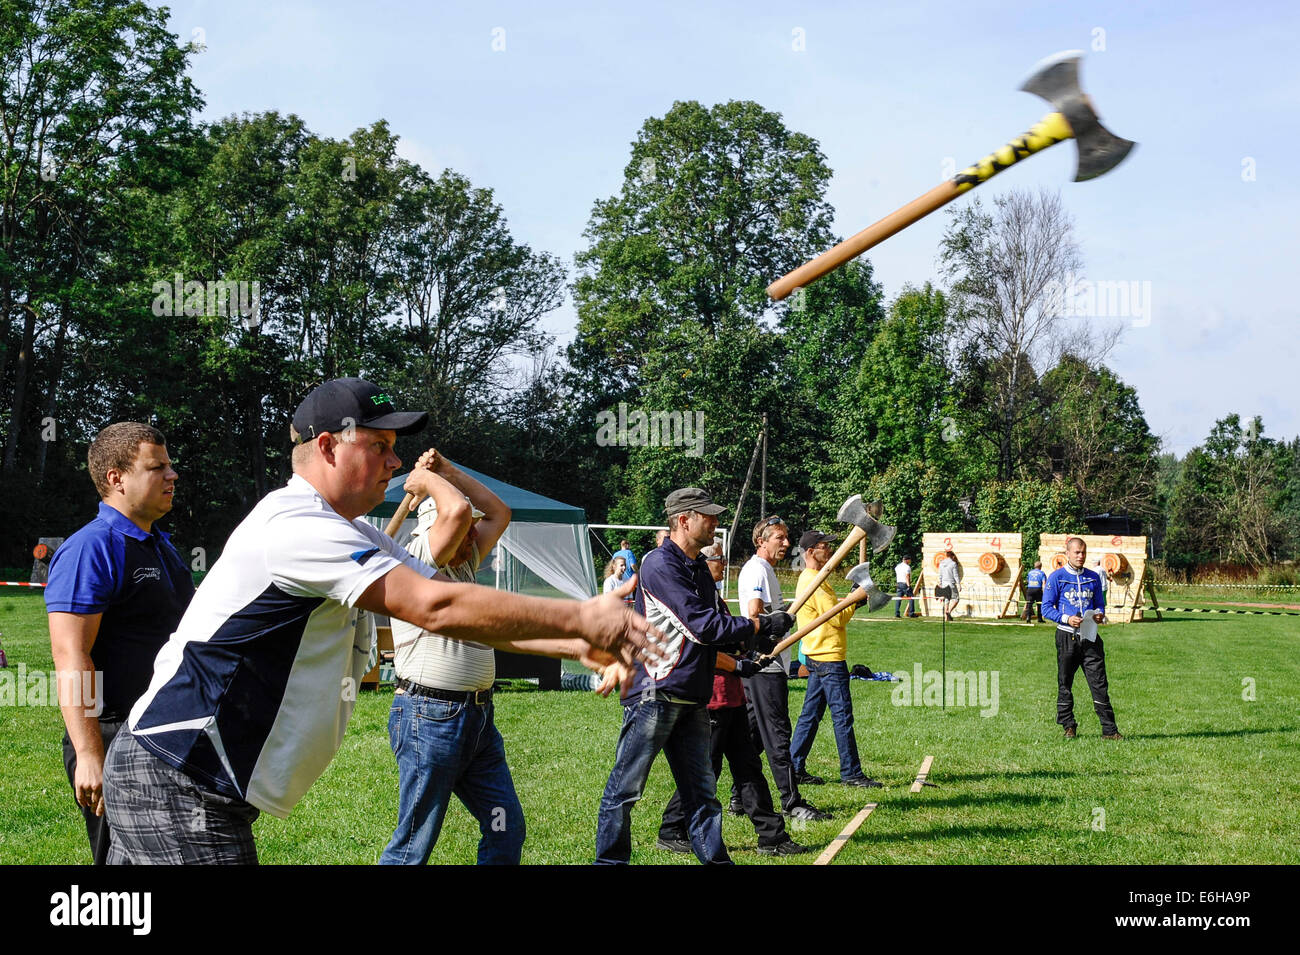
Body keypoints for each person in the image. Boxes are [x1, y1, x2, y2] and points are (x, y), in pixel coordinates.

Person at [102, 378, 662, 864]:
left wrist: (571, 643)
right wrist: (582, 615)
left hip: (184, 776)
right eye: (379, 446)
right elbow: (432, 606)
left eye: (396, 448)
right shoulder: (296, 526)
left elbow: (447, 607)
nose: (395, 463)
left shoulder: (348, 530)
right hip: (179, 777)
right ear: (327, 447)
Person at [594, 488, 793, 865]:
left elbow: (719, 628)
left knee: (702, 795)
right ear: (684, 520)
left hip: (692, 696)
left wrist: (751, 645)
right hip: (655, 693)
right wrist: (759, 622)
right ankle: (609, 862)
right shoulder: (658, 564)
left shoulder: (700, 568)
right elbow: (701, 626)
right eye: (708, 516)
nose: (716, 523)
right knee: (625, 791)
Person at [44, 422, 195, 865]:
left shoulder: (160, 545)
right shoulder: (91, 548)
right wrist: (91, 755)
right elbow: (71, 654)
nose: (173, 475)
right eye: (157, 467)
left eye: (169, 466)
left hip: (163, 734)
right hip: (114, 738)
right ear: (117, 478)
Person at [381, 448, 522, 865]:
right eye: (463, 530)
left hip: (476, 720)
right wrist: (425, 484)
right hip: (430, 717)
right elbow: (458, 511)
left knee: (505, 826)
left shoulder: (463, 563)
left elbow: (500, 513)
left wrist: (445, 470)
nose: (474, 534)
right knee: (414, 843)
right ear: (434, 531)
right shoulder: (418, 558)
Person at [656, 544, 808, 856]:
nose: (723, 564)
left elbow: (734, 638)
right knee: (704, 772)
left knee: (749, 768)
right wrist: (741, 665)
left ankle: (772, 838)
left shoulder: (717, 601)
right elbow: (704, 653)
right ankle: (672, 828)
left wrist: (759, 639)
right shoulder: (695, 603)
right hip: (711, 701)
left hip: (733, 699)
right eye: (718, 559)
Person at [737, 516, 829, 822]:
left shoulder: (764, 570)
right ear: (761, 541)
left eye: (786, 537)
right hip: (767, 666)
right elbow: (754, 612)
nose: (786, 543)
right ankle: (791, 802)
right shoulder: (756, 569)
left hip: (764, 666)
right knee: (777, 733)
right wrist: (776, 620)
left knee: (754, 736)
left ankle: (740, 796)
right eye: (779, 537)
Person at [789, 531, 881, 788]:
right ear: (810, 552)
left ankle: (794, 768)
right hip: (828, 657)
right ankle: (851, 773)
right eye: (822, 547)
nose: (829, 551)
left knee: (810, 715)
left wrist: (853, 600)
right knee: (842, 715)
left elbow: (833, 612)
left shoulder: (814, 579)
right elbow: (837, 617)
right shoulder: (814, 581)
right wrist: (855, 599)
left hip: (817, 655)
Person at [1042, 537, 1121, 740]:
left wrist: (1098, 614)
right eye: (1076, 552)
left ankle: (1110, 730)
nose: (1080, 556)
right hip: (1067, 637)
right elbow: (1046, 609)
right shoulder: (1056, 578)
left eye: (1083, 552)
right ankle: (1068, 725)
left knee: (1099, 683)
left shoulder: (1093, 577)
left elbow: (1099, 604)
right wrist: (1067, 618)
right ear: (1067, 553)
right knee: (1065, 682)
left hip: (1090, 636)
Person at [938, 550, 961, 621]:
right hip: (951, 583)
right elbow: (956, 575)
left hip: (944, 584)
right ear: (952, 556)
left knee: (946, 600)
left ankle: (946, 618)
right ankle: (949, 611)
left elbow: (940, 575)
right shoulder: (953, 564)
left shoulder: (941, 563)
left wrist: (940, 584)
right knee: (956, 599)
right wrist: (959, 584)